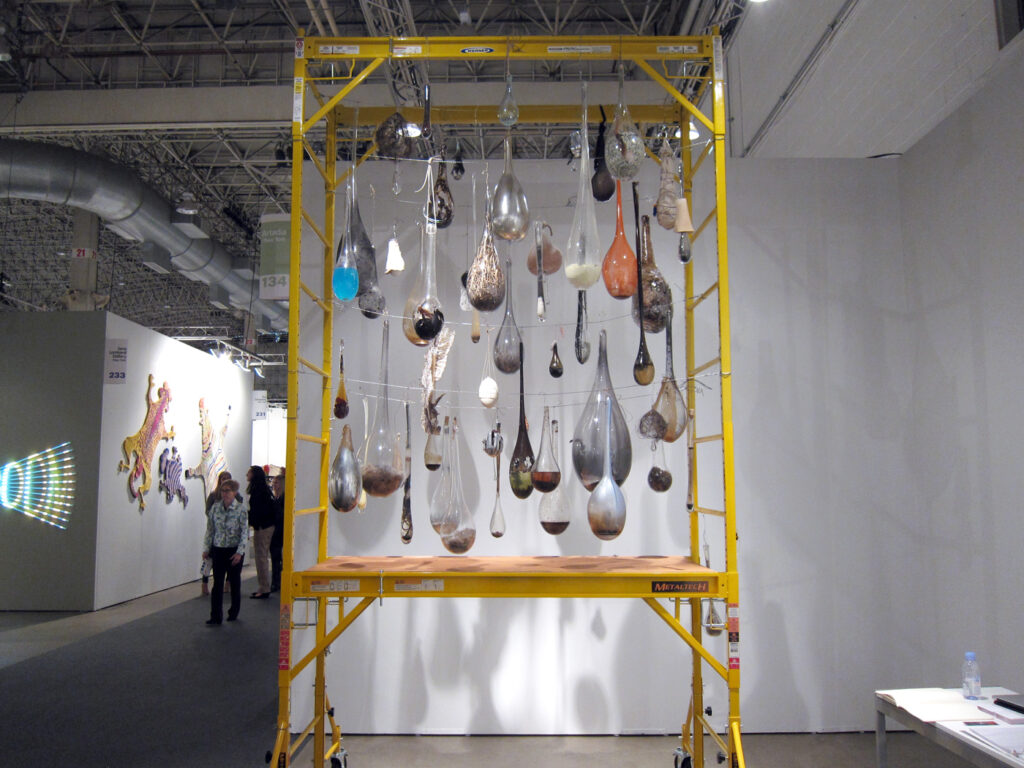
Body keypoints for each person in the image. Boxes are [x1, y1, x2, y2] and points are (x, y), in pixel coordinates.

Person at [202, 478, 247, 625]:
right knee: (217, 584)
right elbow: (210, 530)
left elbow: (244, 533)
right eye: (222, 491)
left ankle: (234, 611)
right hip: (219, 549)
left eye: (228, 491)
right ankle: (216, 616)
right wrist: (206, 548)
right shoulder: (215, 508)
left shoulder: (240, 509)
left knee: (234, 582)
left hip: (234, 550)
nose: (224, 494)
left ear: (234, 492)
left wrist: (240, 552)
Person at [200, 470, 233, 596]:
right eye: (223, 478)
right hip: (215, 531)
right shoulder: (213, 495)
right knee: (209, 558)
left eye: (228, 478)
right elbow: (207, 511)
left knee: (229, 559)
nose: (225, 480)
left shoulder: (235, 496)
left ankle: (227, 582)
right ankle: (204, 582)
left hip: (229, 533)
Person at [247, 465, 275, 599]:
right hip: (263, 526)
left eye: (249, 472)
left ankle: (264, 588)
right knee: (261, 557)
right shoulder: (261, 490)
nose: (247, 475)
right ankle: (263, 586)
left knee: (261, 557)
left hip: (263, 527)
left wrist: (253, 520)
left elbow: (260, 510)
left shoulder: (259, 491)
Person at [269, 470, 285, 593]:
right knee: (275, 558)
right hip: (275, 531)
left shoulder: (283, 498)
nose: (274, 485)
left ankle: (278, 581)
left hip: (281, 531)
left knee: (279, 557)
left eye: (276, 482)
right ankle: (276, 581)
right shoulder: (275, 497)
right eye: (273, 482)